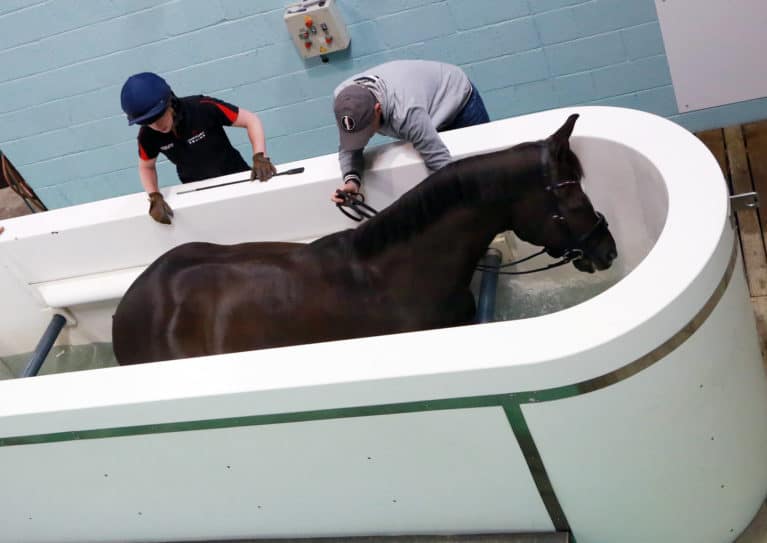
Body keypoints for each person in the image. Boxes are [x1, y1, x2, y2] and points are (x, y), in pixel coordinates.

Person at [120, 72, 276, 224]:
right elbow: (146, 167)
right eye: (148, 122)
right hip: (199, 193)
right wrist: (154, 196)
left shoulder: (202, 107)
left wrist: (259, 156)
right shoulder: (147, 135)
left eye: (158, 116)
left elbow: (251, 120)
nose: (156, 126)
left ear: (169, 102)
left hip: (237, 178)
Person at [331, 60, 490, 202]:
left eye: (365, 131)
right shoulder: (345, 102)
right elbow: (349, 149)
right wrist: (351, 182)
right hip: (424, 109)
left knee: (483, 172)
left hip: (457, 100)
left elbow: (439, 161)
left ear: (377, 109)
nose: (363, 139)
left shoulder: (406, 111)